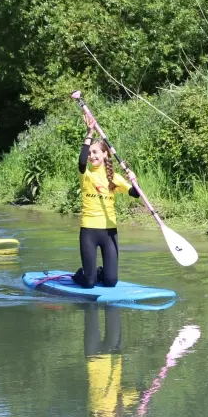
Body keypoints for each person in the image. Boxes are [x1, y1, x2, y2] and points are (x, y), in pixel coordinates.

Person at [74, 113, 139, 288]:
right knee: (89, 283)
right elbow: (81, 162)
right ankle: (81, 274)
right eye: (90, 153)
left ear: (105, 154)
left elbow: (135, 193)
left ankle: (100, 272)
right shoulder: (86, 175)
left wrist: (134, 180)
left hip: (109, 231)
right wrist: (89, 133)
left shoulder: (115, 178)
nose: (91, 156)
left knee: (111, 282)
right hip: (89, 230)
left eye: (95, 152)